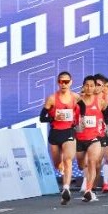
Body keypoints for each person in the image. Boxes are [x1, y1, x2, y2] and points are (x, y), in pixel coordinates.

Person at [41, 71, 82, 205]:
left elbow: (84, 109)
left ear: (71, 82)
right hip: (55, 133)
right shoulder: (52, 98)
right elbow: (42, 118)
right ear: (58, 82)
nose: (63, 84)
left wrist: (79, 120)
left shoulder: (76, 97)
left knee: (68, 159)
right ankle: (62, 172)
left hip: (69, 132)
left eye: (66, 81)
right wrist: (53, 117)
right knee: (58, 164)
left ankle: (66, 188)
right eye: (61, 81)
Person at [75, 76, 107, 203]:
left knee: (92, 162)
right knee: (82, 165)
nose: (89, 88)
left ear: (95, 87)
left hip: (94, 137)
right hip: (79, 138)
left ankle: (88, 190)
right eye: (86, 85)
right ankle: (87, 183)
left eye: (92, 85)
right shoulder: (77, 102)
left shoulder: (100, 101)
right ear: (83, 86)